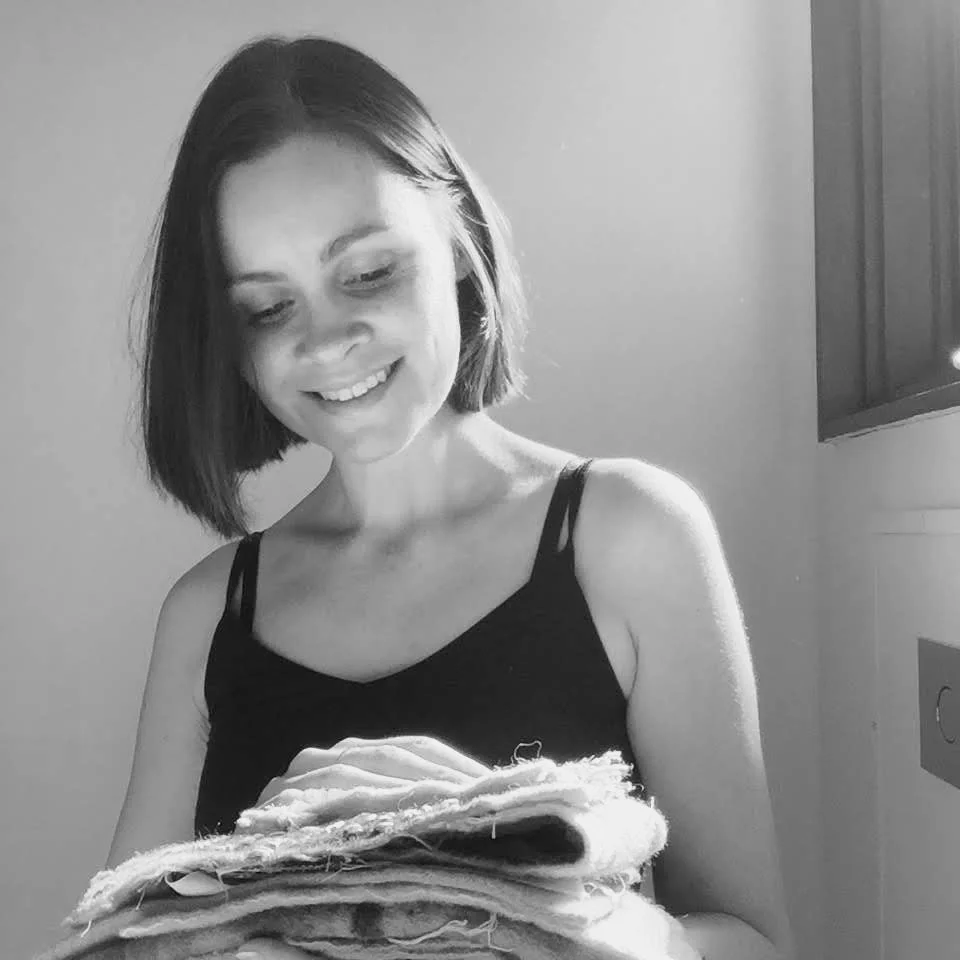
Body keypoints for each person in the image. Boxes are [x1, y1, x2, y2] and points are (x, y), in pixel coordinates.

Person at [107, 34, 794, 960]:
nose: (328, 341)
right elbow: (129, 938)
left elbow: (757, 944)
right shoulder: (206, 613)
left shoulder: (631, 538)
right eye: (268, 308)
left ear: (460, 241)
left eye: (368, 271)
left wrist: (562, 924)